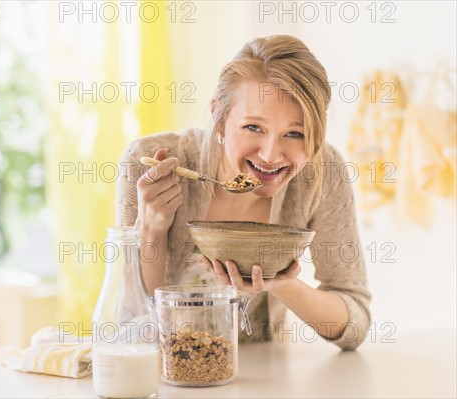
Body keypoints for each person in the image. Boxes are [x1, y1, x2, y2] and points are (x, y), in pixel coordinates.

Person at [115, 35, 371, 351]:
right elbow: (131, 329)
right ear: (220, 117)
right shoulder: (152, 161)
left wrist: (283, 283)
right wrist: (151, 230)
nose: (270, 155)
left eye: (295, 133)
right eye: (253, 127)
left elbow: (355, 322)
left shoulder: (322, 172)